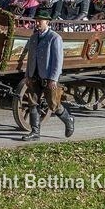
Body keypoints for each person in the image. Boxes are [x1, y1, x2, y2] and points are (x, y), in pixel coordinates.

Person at [21, 9, 75, 142]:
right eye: (36, 20)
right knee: (33, 103)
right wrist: (28, 75)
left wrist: (53, 79)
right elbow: (30, 58)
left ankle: (69, 120)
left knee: (53, 104)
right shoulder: (33, 37)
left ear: (47, 22)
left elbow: (58, 60)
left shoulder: (54, 38)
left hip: (48, 77)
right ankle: (35, 132)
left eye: (40, 21)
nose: (37, 23)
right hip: (34, 75)